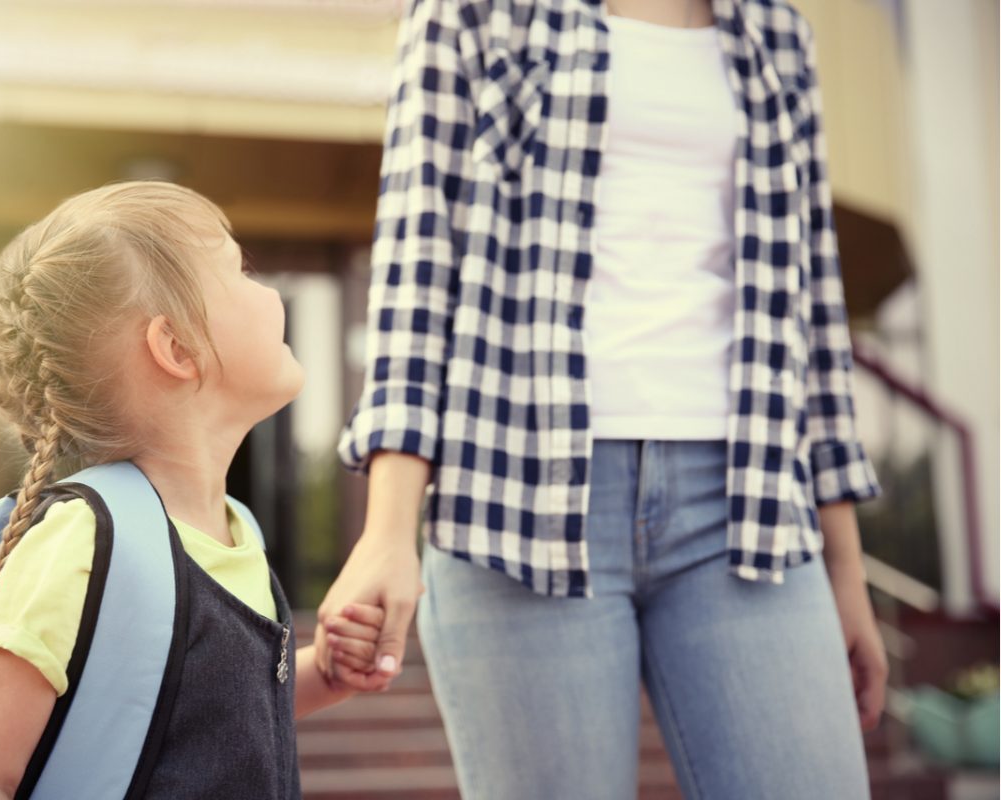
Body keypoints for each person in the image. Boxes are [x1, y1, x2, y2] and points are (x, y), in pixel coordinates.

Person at [316, 0, 889, 798]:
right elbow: (419, 261)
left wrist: (847, 569)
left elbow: (813, 305)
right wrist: (386, 531)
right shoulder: (475, 12)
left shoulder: (777, 30)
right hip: (516, 499)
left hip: (746, 505)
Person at [0, 181, 384, 798]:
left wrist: (325, 675)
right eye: (239, 271)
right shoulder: (82, 544)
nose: (271, 292)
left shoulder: (232, 528)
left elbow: (204, 721)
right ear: (176, 347)